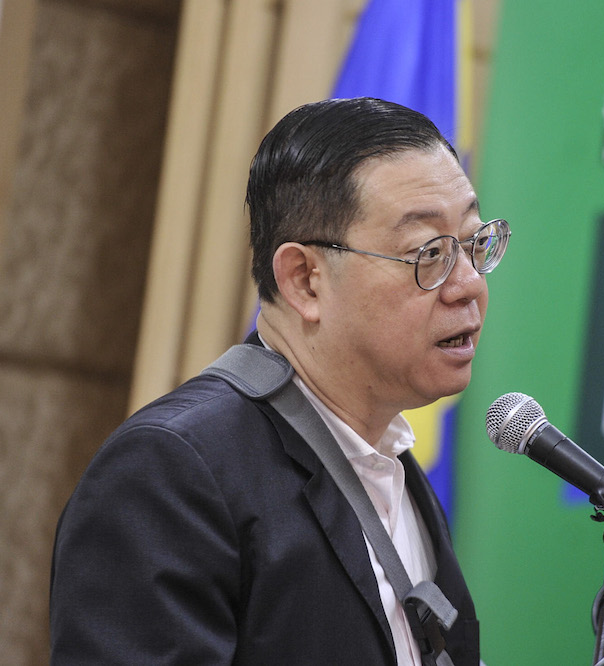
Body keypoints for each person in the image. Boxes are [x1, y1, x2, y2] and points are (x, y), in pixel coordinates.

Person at [50, 97, 509, 665]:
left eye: (473, 243)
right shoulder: (171, 473)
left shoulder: (396, 474)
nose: (467, 284)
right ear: (304, 280)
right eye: (429, 253)